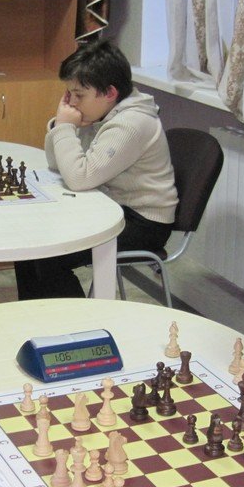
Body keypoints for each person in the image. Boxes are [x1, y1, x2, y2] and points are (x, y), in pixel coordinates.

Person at [14, 39, 178, 299]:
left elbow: (79, 178)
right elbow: (58, 165)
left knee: (50, 254)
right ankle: (38, 316)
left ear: (109, 93)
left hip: (143, 222)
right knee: (28, 243)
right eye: (69, 94)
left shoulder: (130, 124)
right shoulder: (103, 113)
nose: (72, 103)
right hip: (113, 206)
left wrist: (65, 128)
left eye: (79, 95)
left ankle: (79, 322)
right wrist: (62, 127)